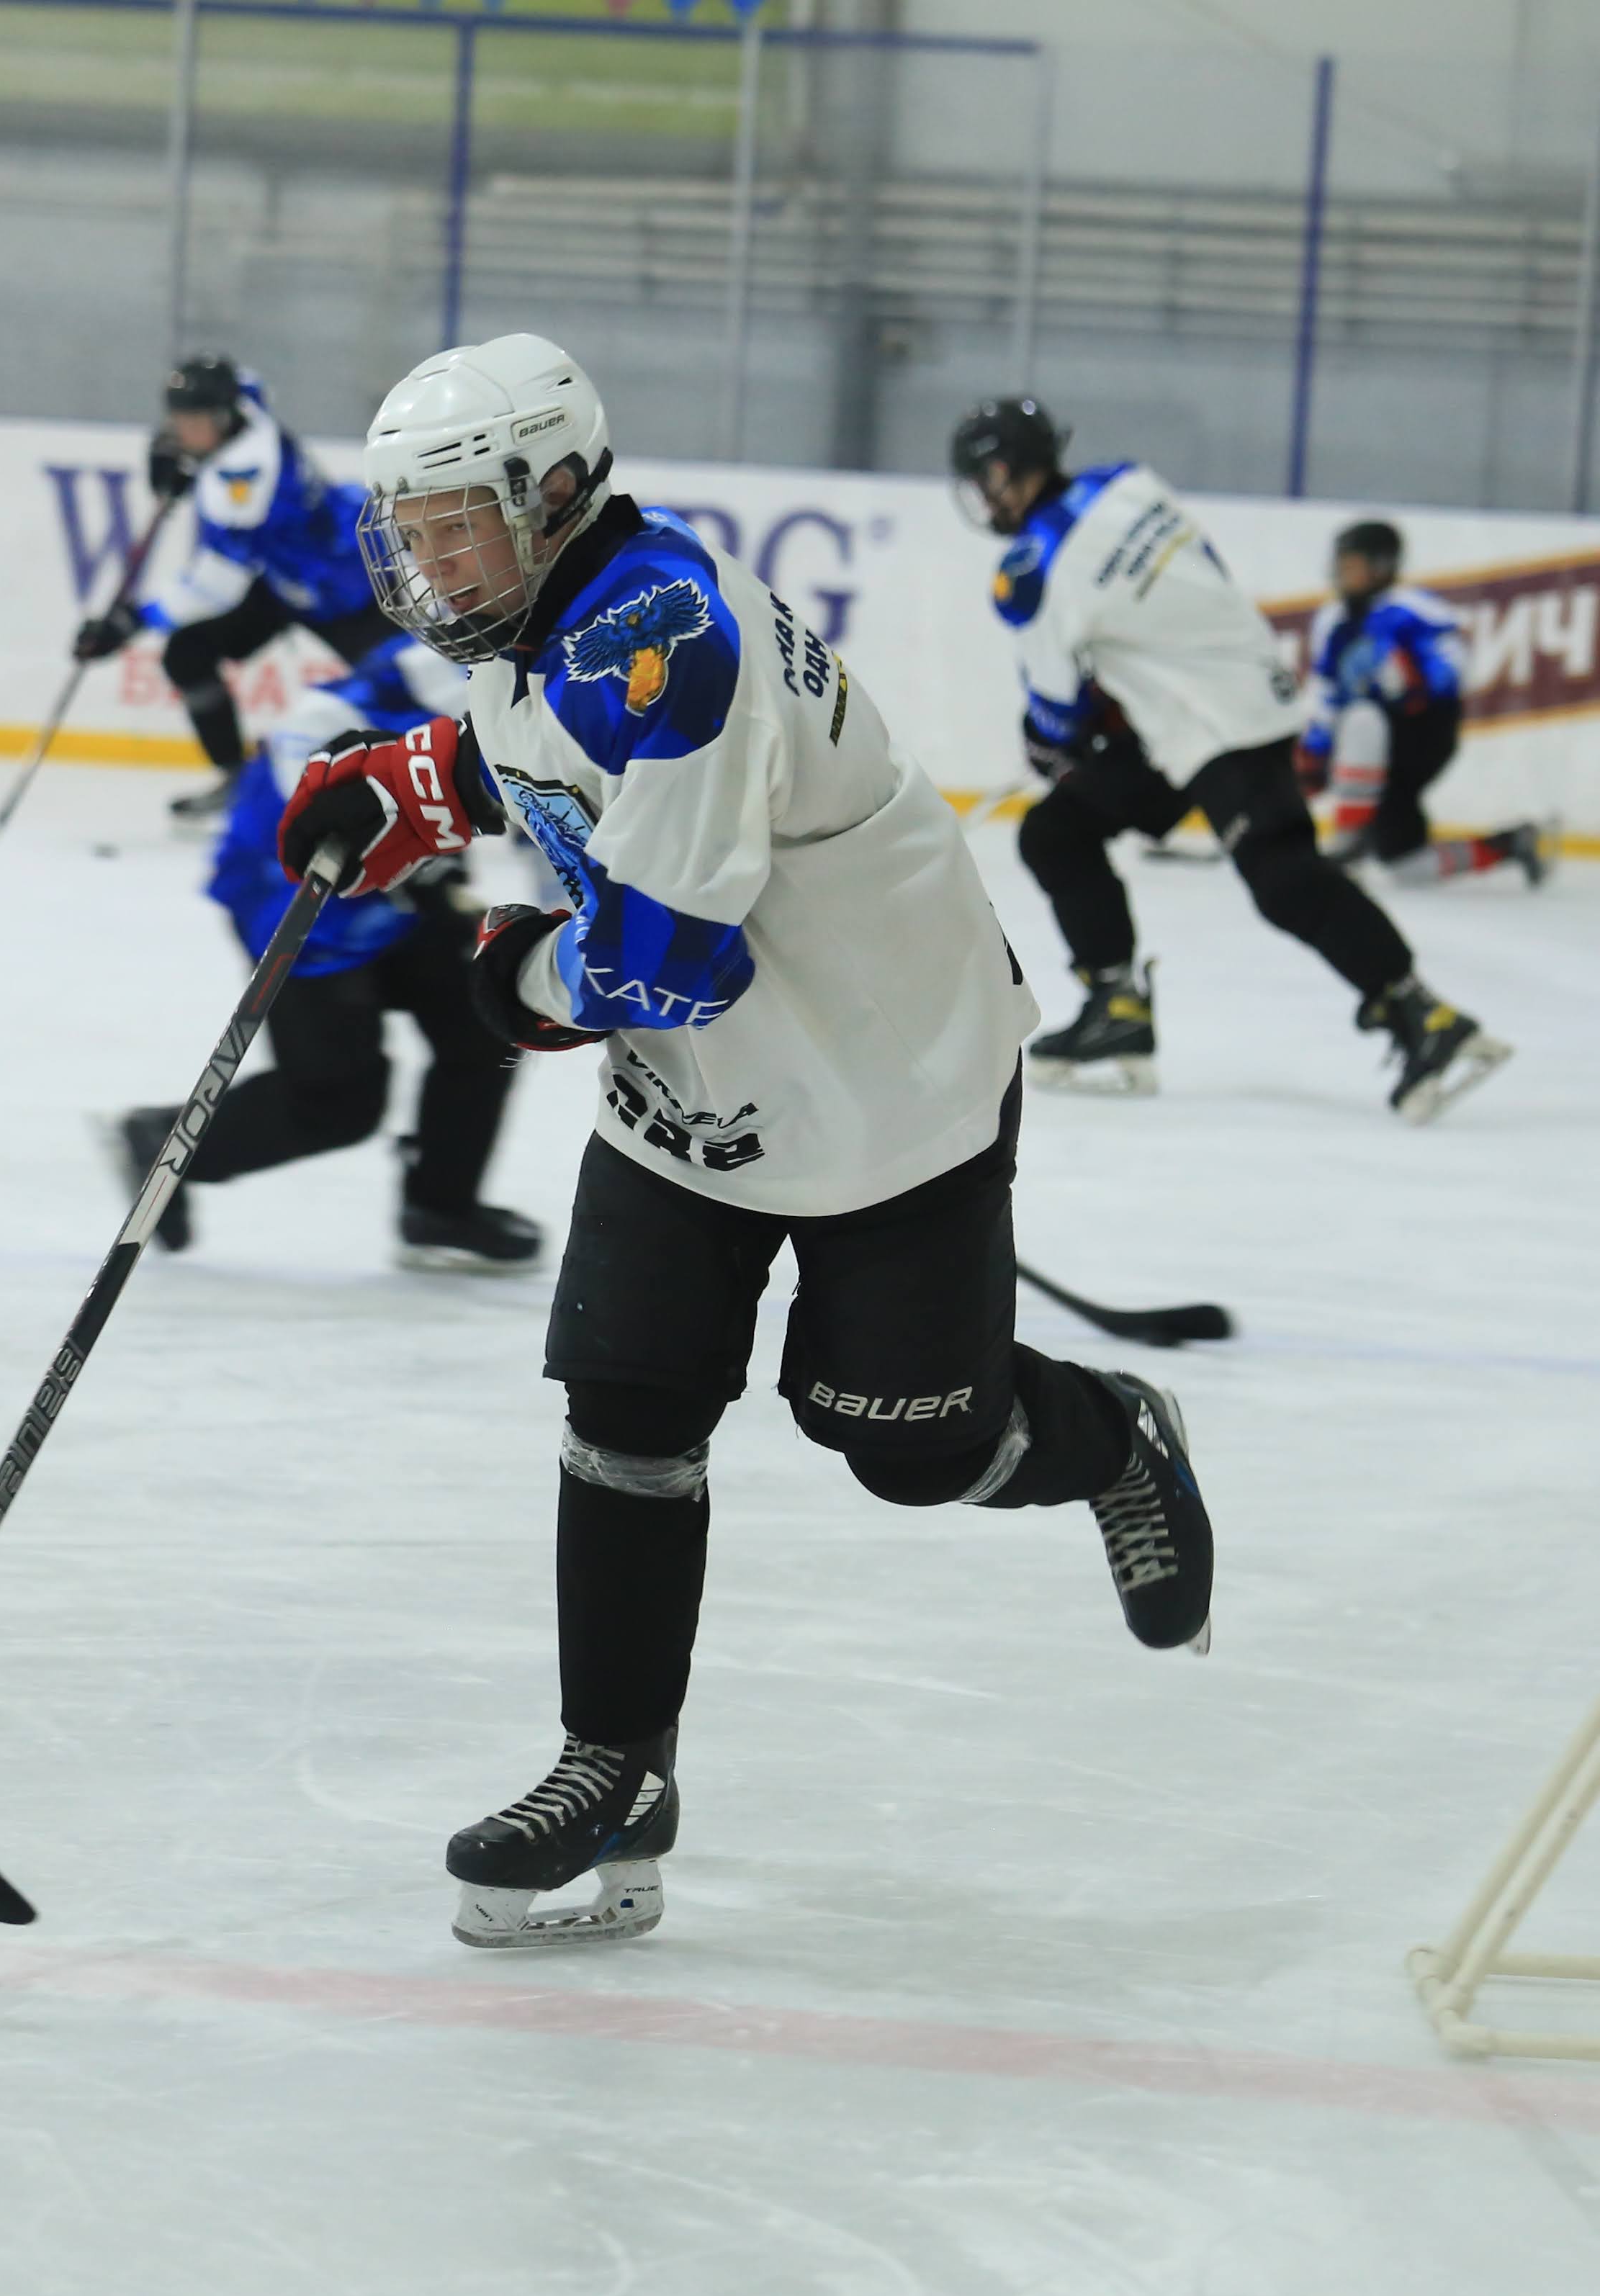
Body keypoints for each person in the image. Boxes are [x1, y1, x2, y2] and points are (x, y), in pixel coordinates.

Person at [276, 333, 1215, 1950]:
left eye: (455, 528)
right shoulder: (552, 614)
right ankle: (614, 1769)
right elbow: (537, 744)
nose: (428, 567)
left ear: (552, 493)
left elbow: (658, 960)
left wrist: (504, 978)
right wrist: (409, 788)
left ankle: (1113, 1439)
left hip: (884, 1089)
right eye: (409, 532)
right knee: (625, 1404)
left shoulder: (669, 644)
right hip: (695, 1104)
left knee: (908, 1441)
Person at [948, 396, 1510, 1123]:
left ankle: (1422, 1016)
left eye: (984, 480)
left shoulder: (1030, 571)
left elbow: (1057, 710)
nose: (983, 497)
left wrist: (1053, 742)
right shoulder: (1126, 483)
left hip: (1211, 727)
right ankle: (1117, 1007)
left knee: (1282, 878)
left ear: (1005, 473)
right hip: (1225, 697)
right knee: (1058, 831)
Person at [100, 632, 541, 1274]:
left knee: (481, 1018)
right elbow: (315, 744)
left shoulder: (524, 666)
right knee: (337, 1099)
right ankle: (165, 1143)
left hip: (399, 877)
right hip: (299, 888)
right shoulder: (437, 681)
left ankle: (442, 1207)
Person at [72, 357, 396, 829]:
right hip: (283, 577)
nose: (183, 432)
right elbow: (246, 380)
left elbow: (215, 587)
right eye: (178, 421)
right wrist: (186, 453)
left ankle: (480, 781)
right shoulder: (247, 403)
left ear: (223, 418)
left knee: (404, 684)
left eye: (195, 424)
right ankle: (239, 783)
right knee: (188, 654)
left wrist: (134, 620)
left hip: (346, 588)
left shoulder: (241, 476)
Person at [1295, 519, 1545, 885]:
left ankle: (1350, 839)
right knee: (1406, 865)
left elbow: (1455, 665)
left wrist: (1416, 680)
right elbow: (1328, 693)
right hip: (1369, 753)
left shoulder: (1415, 609)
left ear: (1381, 566)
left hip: (1421, 735)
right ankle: (1509, 845)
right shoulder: (1331, 620)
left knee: (1364, 716)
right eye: (1340, 564)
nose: (1341, 573)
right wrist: (1316, 750)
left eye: (1351, 565)